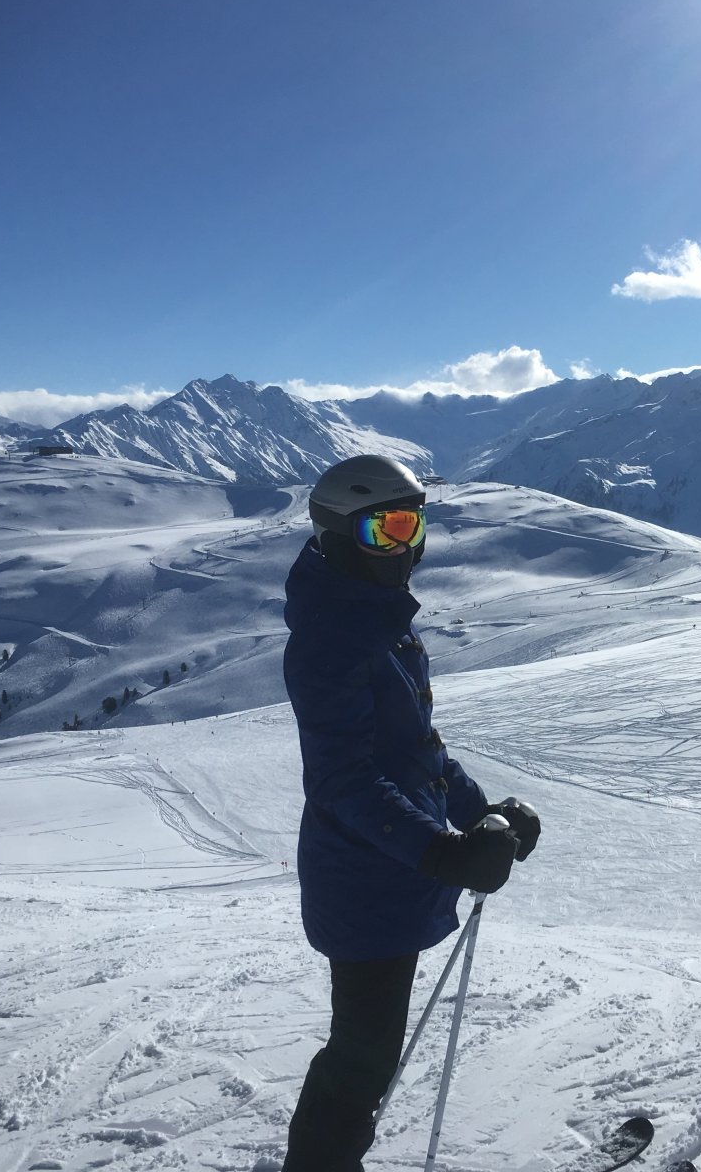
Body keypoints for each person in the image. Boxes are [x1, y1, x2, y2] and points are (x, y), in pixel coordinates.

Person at [280, 454, 542, 1172]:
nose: (403, 544)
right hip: (365, 880)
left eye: (411, 523)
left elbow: (418, 750)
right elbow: (343, 780)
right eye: (383, 529)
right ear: (337, 534)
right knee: (361, 1060)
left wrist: (481, 812)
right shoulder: (334, 639)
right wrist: (442, 852)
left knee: (367, 1055)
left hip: (392, 869)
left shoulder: (373, 618)